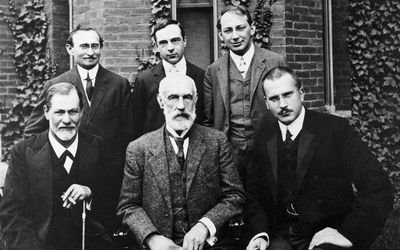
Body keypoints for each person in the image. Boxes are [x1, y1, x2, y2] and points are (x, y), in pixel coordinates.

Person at [245, 66, 393, 250]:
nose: (282, 104)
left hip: (327, 234)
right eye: (274, 98)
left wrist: (349, 233)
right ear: (266, 103)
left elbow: (378, 185)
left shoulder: (335, 130)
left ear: (302, 94)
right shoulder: (265, 134)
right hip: (281, 235)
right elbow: (254, 193)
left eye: (288, 94)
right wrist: (260, 234)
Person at [23, 26, 134, 235]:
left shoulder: (119, 85)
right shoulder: (55, 84)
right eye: (84, 46)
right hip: (64, 178)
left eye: (95, 46)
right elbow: (32, 133)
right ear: (69, 49)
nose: (90, 52)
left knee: (101, 237)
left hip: (105, 179)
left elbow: (128, 137)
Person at [118, 74, 245, 250]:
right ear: (161, 102)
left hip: (211, 245)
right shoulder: (139, 149)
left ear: (196, 100)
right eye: (172, 98)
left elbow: (235, 196)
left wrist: (205, 225)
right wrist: (152, 238)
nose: (180, 106)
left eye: (187, 97)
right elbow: (128, 206)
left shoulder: (217, 141)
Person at [0, 82, 114, 250]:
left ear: (81, 112)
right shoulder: (23, 152)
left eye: (73, 112)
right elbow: (12, 214)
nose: (66, 120)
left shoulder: (99, 148)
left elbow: (114, 200)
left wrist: (90, 193)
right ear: (46, 112)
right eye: (59, 112)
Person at [203, 5, 286, 182]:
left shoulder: (274, 62)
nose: (235, 36)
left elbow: (285, 107)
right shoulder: (213, 71)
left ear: (252, 29)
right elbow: (209, 120)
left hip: (269, 151)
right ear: (220, 36)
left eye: (240, 28)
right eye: (228, 30)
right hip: (230, 155)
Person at [132, 18, 205, 138]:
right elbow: (137, 123)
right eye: (163, 42)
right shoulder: (145, 80)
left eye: (175, 40)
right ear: (156, 46)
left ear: (185, 41)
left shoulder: (201, 76)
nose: (170, 48)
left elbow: (206, 119)